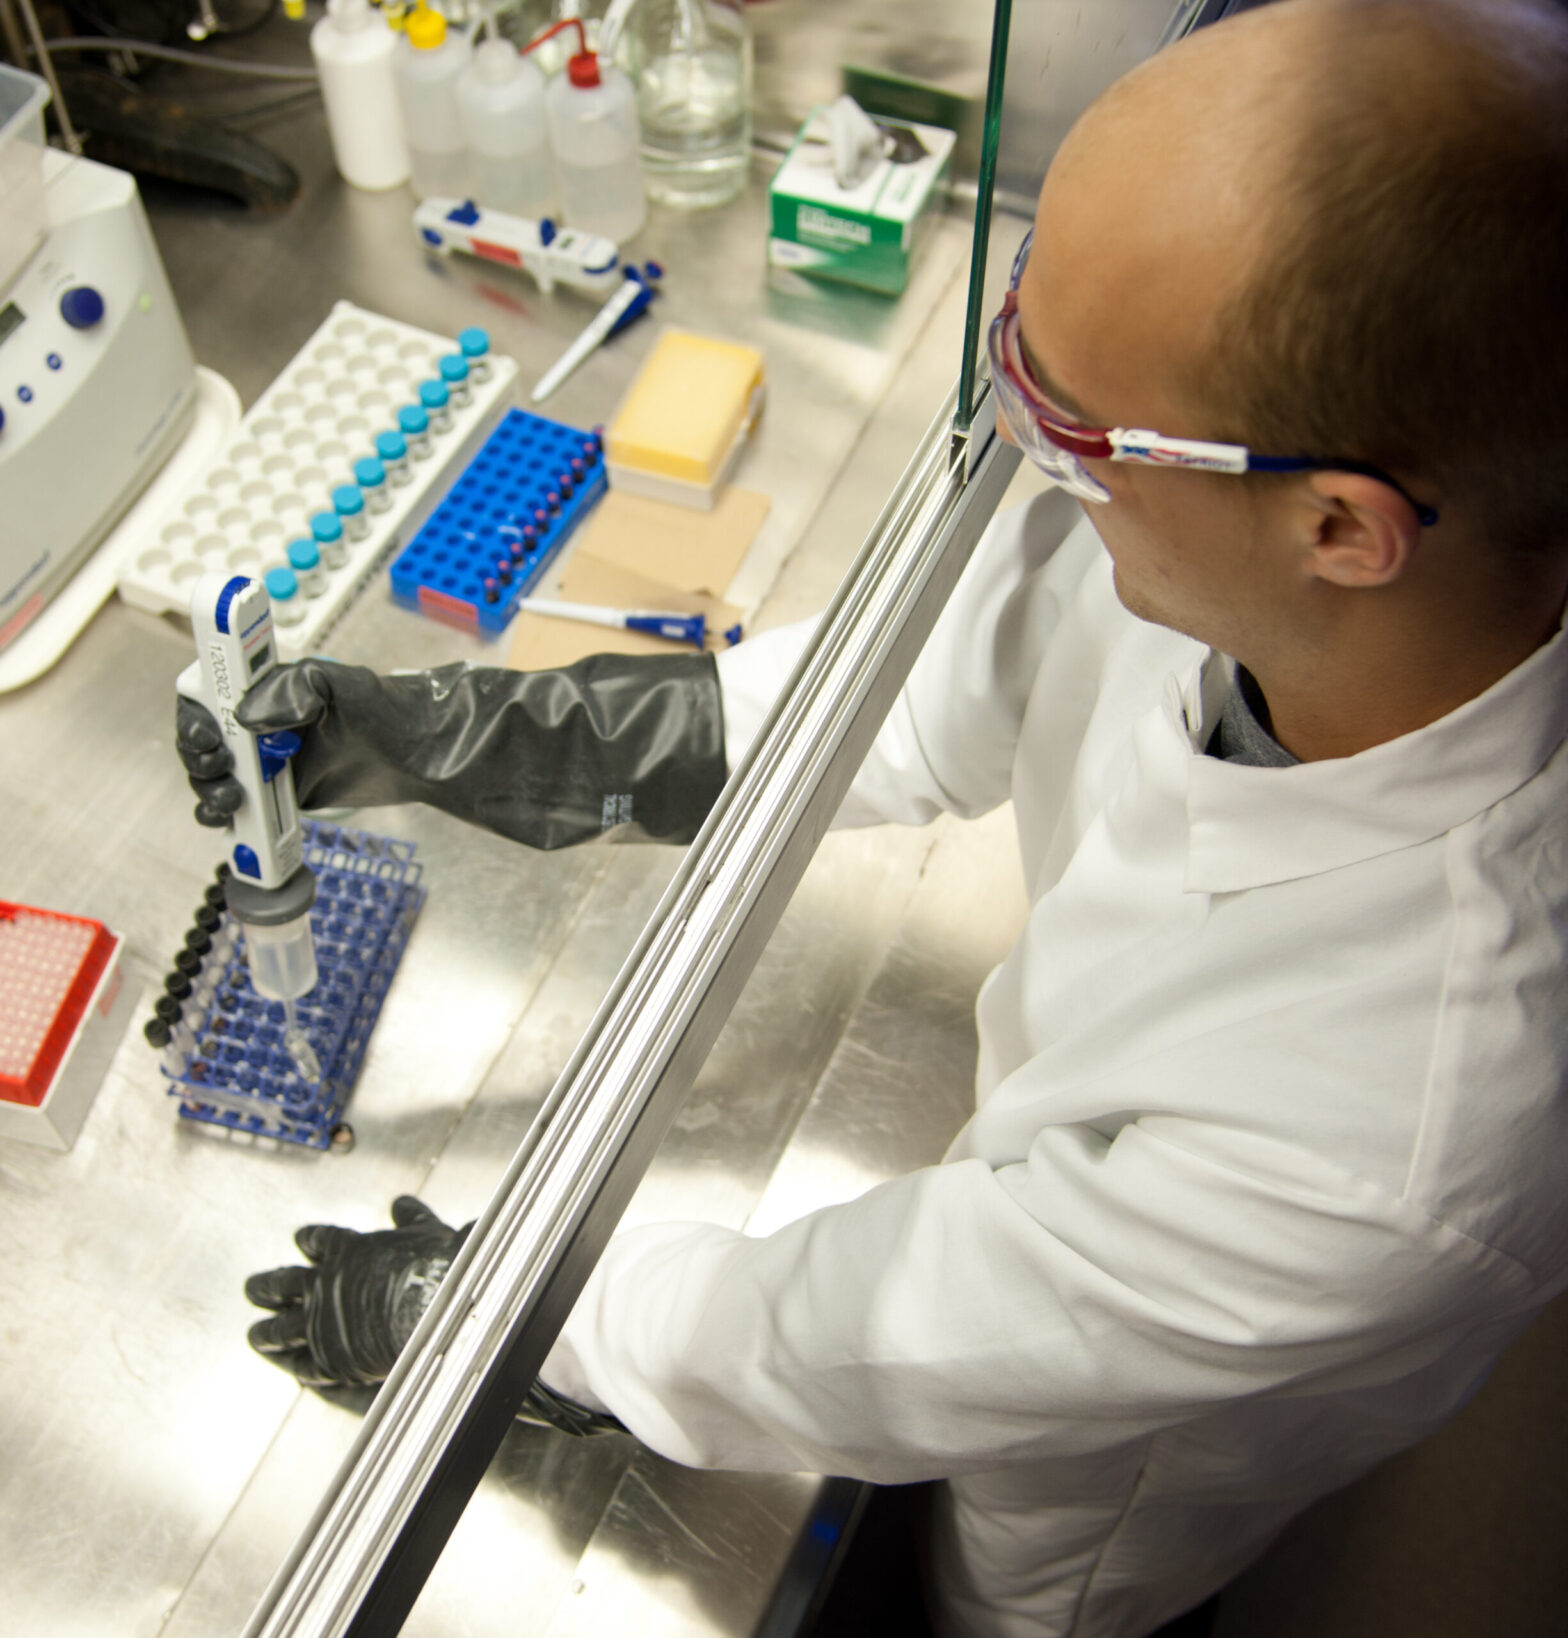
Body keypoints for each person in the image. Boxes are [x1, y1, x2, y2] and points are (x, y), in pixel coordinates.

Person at [183, 2, 1568, 1633]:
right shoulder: (1258, 531)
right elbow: (914, 701)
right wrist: (464, 735)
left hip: (1094, 1484)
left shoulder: (1409, 1122)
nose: (1028, 454)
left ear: (1341, 525)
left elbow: (876, 1331)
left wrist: (508, 1320)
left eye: (1064, 419)